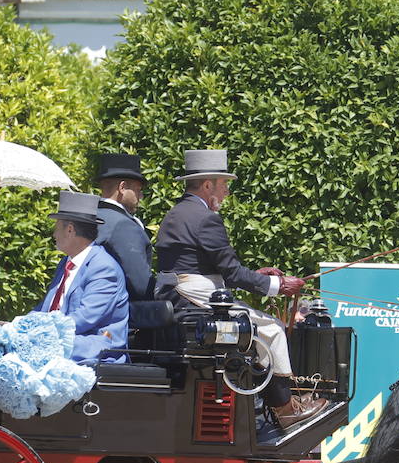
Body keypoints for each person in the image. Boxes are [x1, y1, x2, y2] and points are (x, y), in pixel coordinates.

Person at [156, 149, 326, 431]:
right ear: (208, 184)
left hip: (180, 294)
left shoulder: (176, 213)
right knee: (271, 328)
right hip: (194, 296)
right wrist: (279, 285)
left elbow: (214, 268)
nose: (226, 192)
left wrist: (259, 277)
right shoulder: (206, 218)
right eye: (223, 185)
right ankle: (286, 409)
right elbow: (232, 272)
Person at [38, 191, 129, 364]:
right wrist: (18, 325)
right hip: (61, 343)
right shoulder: (66, 262)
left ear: (70, 229)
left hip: (91, 351)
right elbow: (45, 308)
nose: (54, 234)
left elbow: (85, 318)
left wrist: (40, 330)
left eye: (57, 227)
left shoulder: (103, 267)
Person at [93, 152, 161, 301]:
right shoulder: (124, 225)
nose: (140, 196)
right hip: (120, 315)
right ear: (122, 187)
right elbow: (141, 285)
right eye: (137, 190)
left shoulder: (88, 216)